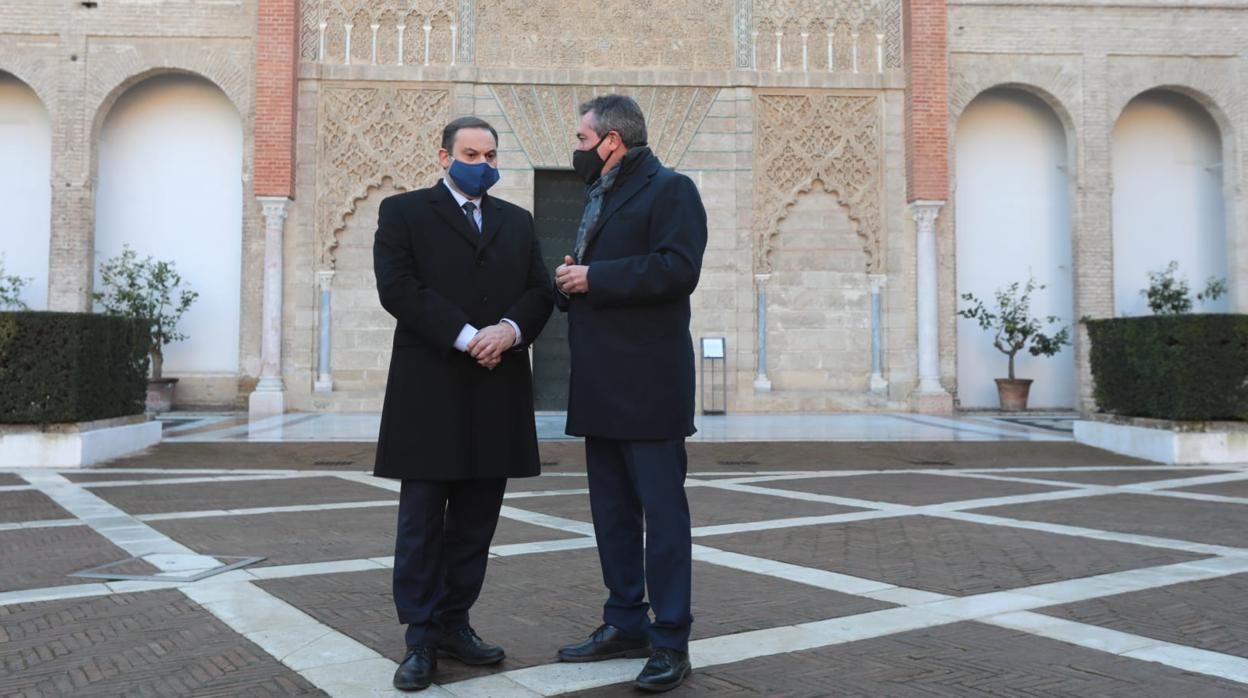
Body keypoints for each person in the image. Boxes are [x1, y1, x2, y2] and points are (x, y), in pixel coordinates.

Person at [373, 116, 554, 692]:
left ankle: (456, 624)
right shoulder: (402, 213)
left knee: (477, 522)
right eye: (471, 152)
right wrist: (464, 334)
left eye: (491, 153)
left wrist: (508, 329)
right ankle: (420, 637)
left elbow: (539, 290)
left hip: (496, 387)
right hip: (430, 389)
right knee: (422, 522)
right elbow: (397, 288)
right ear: (444, 156)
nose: (482, 162)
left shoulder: (517, 221)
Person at [553, 94, 708, 693]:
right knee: (612, 515)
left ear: (611, 141)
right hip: (600, 384)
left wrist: (595, 277)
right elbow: (606, 275)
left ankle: (670, 639)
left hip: (648, 386)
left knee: (662, 520)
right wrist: (573, 282)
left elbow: (677, 268)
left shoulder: (672, 190)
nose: (577, 150)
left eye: (581, 139)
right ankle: (624, 622)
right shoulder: (602, 195)